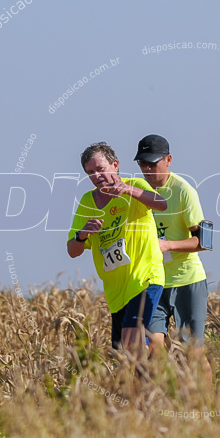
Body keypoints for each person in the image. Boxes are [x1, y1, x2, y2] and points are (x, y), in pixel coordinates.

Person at [67, 142, 167, 354]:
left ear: (115, 165)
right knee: (123, 353)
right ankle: (158, 379)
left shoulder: (135, 184)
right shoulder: (87, 201)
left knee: (132, 340)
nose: (97, 176)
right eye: (90, 173)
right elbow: (72, 250)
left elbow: (161, 203)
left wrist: (128, 190)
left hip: (145, 279)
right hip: (115, 292)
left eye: (100, 169)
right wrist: (82, 234)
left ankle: (146, 385)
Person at [133, 134, 213, 383]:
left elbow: (205, 242)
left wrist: (167, 245)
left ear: (168, 160)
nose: (147, 170)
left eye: (152, 164)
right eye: (142, 164)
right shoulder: (137, 191)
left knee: (193, 354)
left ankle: (207, 411)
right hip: (153, 283)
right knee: (153, 349)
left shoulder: (184, 191)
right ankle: (163, 402)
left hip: (187, 281)